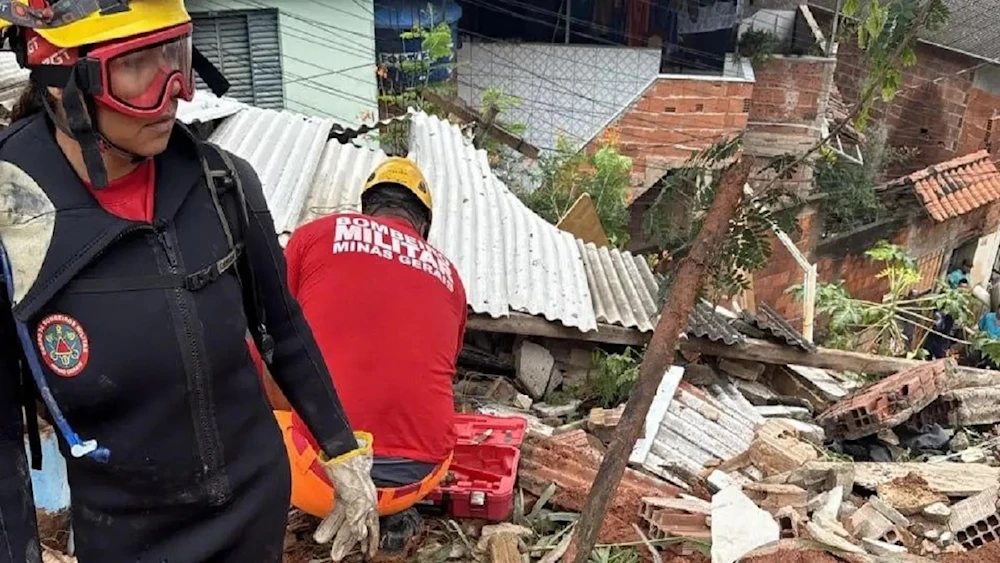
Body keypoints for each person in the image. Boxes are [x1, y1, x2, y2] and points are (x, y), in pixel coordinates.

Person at [0, 2, 377, 561]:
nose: (175, 90)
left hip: (255, 511)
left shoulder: (222, 184)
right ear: (61, 82)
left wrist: (343, 450)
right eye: (136, 67)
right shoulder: (11, 223)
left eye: (175, 56)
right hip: (128, 538)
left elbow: (285, 327)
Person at [261, 157, 467, 535]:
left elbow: (270, 334)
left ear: (366, 208)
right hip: (418, 480)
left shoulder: (314, 235)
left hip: (317, 482)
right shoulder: (450, 274)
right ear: (423, 225)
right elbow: (446, 366)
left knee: (258, 348)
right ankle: (393, 514)